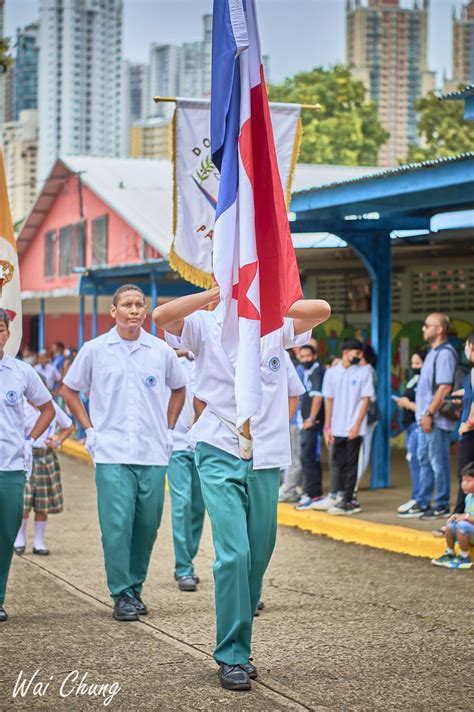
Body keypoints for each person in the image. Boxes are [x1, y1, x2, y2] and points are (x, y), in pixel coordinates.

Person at [154, 287, 330, 691]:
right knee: (233, 554)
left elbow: (321, 310)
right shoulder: (203, 323)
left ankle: (241, 642)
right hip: (218, 444)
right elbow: (162, 316)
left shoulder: (274, 324)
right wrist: (219, 291)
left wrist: (261, 292)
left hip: (266, 452)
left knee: (257, 554)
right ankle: (232, 654)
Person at [62, 284, 186, 622]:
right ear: (113, 311)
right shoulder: (95, 350)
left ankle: (135, 587)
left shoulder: (160, 351)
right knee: (116, 525)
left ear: (145, 312)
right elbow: (70, 389)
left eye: (139, 305)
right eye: (127, 305)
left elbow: (179, 388)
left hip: (152, 451)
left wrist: (170, 428)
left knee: (147, 525)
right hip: (112, 450)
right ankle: (121, 593)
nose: (134, 310)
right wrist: (89, 429)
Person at [0, 308, 55, 622]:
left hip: (9, 465)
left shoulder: (21, 372)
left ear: (8, 332)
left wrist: (30, 439)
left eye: (1, 328)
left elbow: (47, 408)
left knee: (5, 534)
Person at [399, 313, 457, 520]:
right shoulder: (432, 353)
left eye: (427, 325)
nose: (423, 329)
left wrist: (429, 413)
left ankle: (441, 504)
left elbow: (444, 387)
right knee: (424, 460)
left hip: (435, 420)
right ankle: (423, 502)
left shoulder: (445, 354)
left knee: (437, 462)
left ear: (439, 329)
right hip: (424, 418)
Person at [167, 349, 206, 593]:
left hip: (205, 443)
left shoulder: (209, 357)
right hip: (178, 443)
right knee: (181, 503)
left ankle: (188, 558)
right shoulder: (171, 360)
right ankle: (184, 568)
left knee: (199, 505)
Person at [13, 398, 73, 556]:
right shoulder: (21, 406)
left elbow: (68, 426)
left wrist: (58, 442)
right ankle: (20, 538)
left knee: (42, 502)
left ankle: (39, 542)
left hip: (45, 457)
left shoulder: (51, 406)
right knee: (24, 501)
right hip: (25, 458)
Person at [321, 338, 374, 515]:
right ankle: (341, 497)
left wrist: (357, 425)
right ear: (346, 352)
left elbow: (366, 400)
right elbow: (328, 400)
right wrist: (327, 427)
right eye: (357, 353)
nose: (360, 357)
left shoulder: (364, 372)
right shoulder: (332, 373)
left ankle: (349, 500)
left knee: (352, 465)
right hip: (336, 427)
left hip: (354, 428)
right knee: (339, 463)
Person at [293, 343, 325, 510]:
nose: (305, 359)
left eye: (308, 356)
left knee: (308, 458)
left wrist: (311, 419)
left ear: (314, 356)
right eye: (302, 357)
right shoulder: (305, 371)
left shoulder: (317, 372)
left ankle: (313, 495)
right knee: (309, 458)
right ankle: (313, 493)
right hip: (303, 422)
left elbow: (318, 398)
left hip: (311, 424)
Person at [395, 350, 425, 514]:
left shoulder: (425, 381)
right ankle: (416, 497)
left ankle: (419, 498)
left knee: (417, 462)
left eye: (418, 364)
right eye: (413, 364)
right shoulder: (413, 380)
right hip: (409, 425)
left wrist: (407, 404)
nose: (414, 367)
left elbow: (423, 408)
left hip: (416, 425)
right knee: (413, 461)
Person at [431, 461, 474, 570]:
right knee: (450, 525)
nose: (464, 484)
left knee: (461, 525)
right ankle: (450, 553)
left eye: (469, 480)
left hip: (469, 530)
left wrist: (464, 518)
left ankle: (464, 556)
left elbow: (467, 518)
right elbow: (468, 514)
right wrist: (457, 516)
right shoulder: (469, 497)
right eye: (463, 480)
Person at [278, 352, 306, 502]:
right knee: (287, 457)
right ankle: (288, 487)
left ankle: (290, 489)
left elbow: (296, 396)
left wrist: (286, 420)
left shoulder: (298, 370)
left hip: (293, 422)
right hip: (287, 421)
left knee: (293, 457)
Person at [452, 332, 474, 515]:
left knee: (464, 475)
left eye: (467, 346)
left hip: (470, 432)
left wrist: (468, 423)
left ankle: (457, 516)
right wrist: (463, 395)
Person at [355, 343, 378, 491]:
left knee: (362, 452)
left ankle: (353, 485)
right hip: (358, 415)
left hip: (366, 416)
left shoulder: (368, 370)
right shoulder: (361, 370)